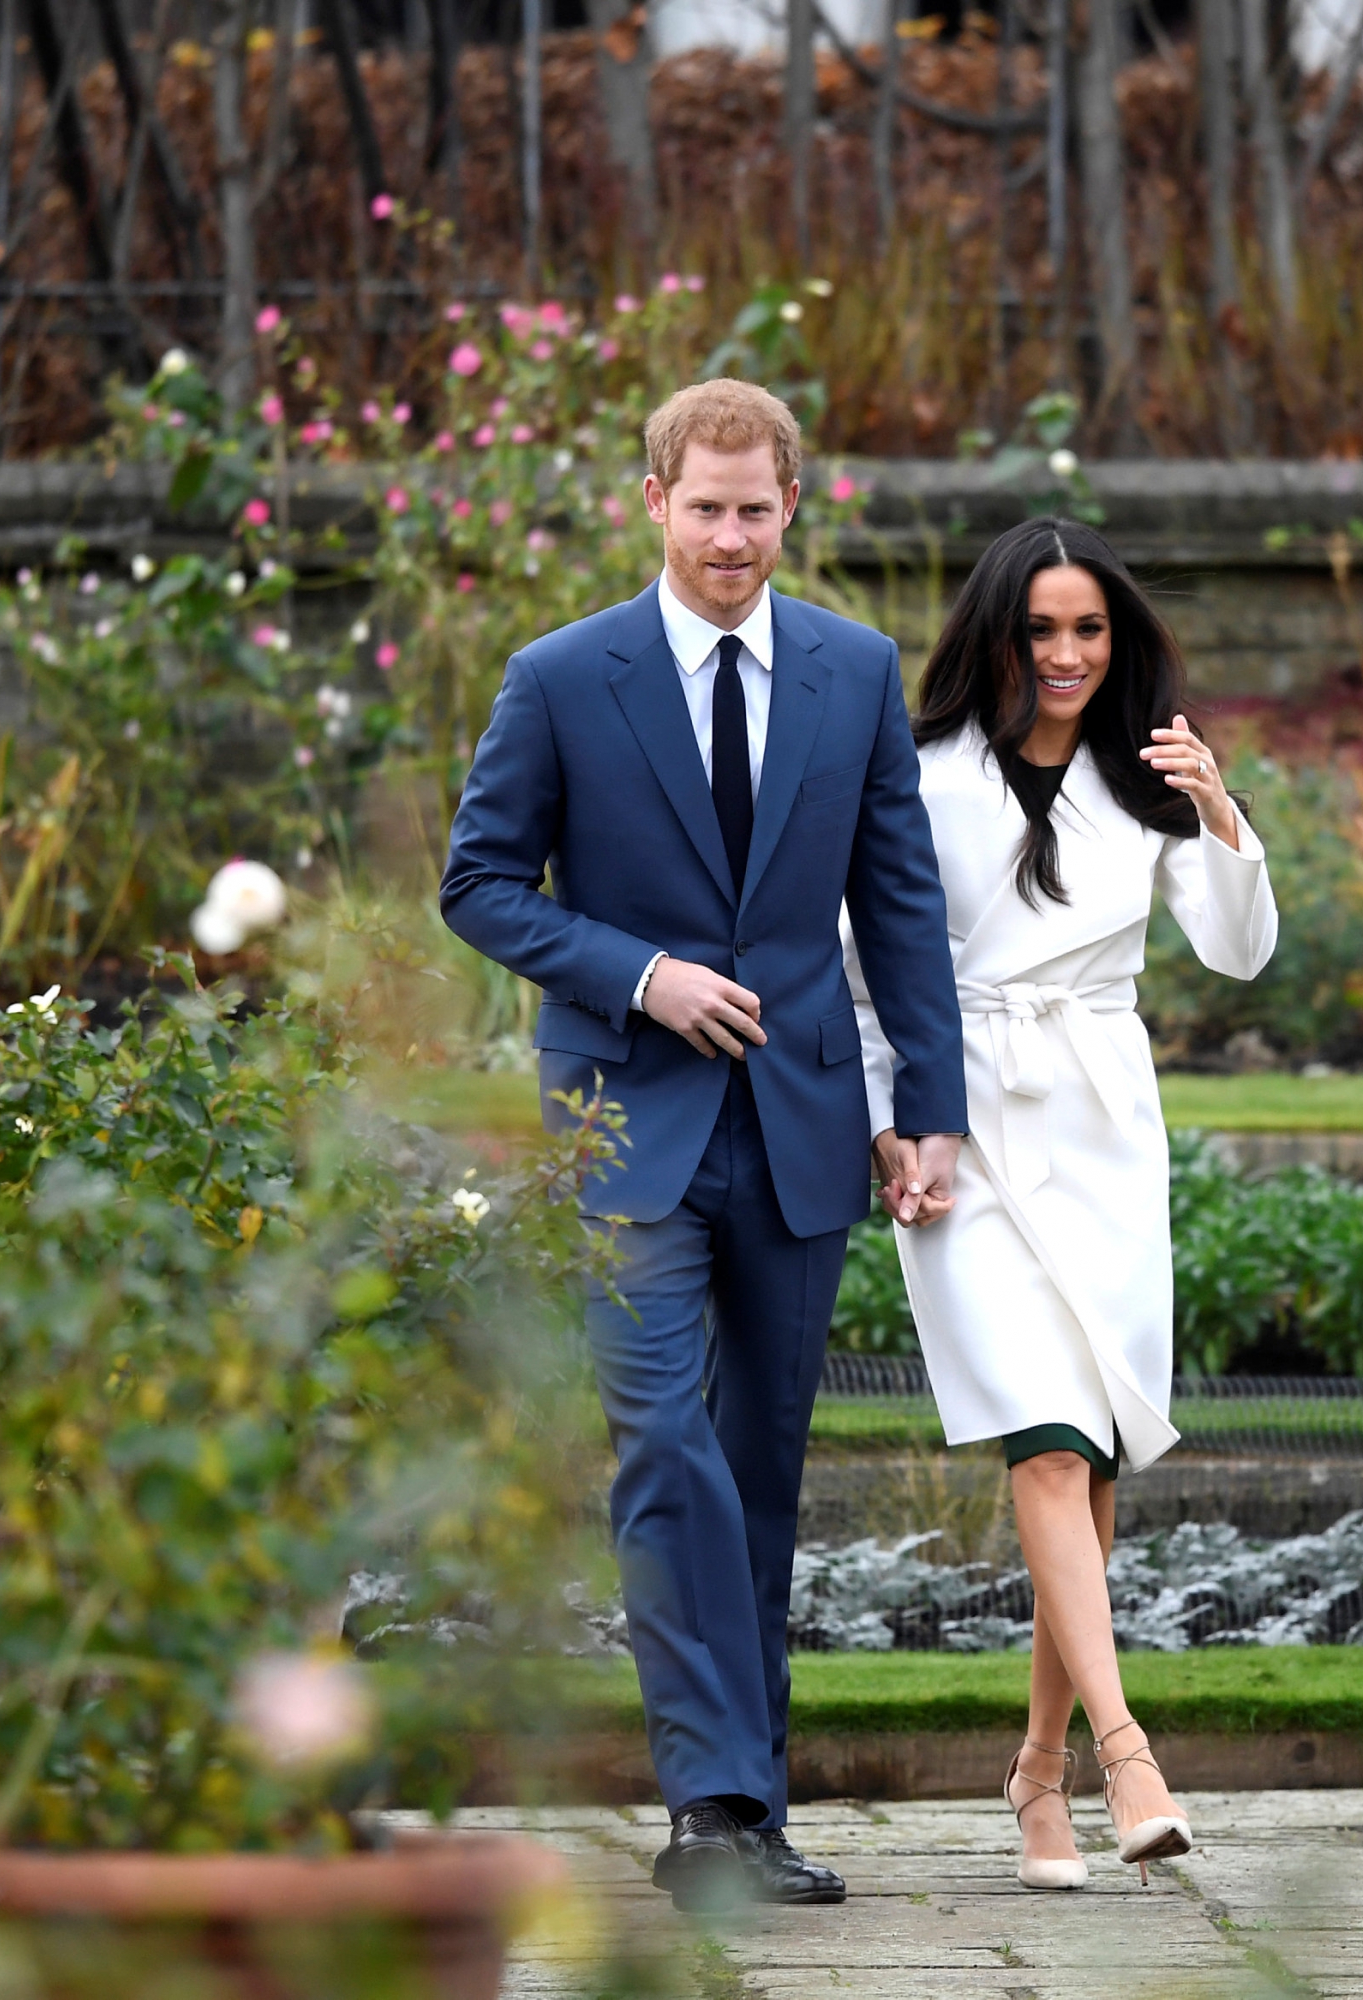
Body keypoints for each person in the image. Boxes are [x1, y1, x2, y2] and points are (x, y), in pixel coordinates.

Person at [441, 380, 967, 1912]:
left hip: (803, 1126)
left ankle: (753, 1812)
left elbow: (902, 904)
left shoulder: (856, 674)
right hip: (624, 1129)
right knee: (664, 1446)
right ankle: (708, 1810)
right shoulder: (560, 677)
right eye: (706, 506)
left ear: (791, 508)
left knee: (759, 1468)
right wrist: (637, 974)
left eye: (757, 509)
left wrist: (924, 1106)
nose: (731, 536)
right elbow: (479, 885)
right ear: (653, 500)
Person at [850, 516, 1276, 1889]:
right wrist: (893, 1126)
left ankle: (1040, 1780)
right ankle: (1129, 1750)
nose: (1069, 653)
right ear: (997, 636)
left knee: (1083, 1470)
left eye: (1090, 627)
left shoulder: (1151, 776)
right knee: (1039, 1442)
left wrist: (1219, 811)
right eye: (1042, 628)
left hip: (1099, 1125)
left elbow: (1240, 950)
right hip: (956, 1124)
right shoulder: (915, 779)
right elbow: (856, 977)